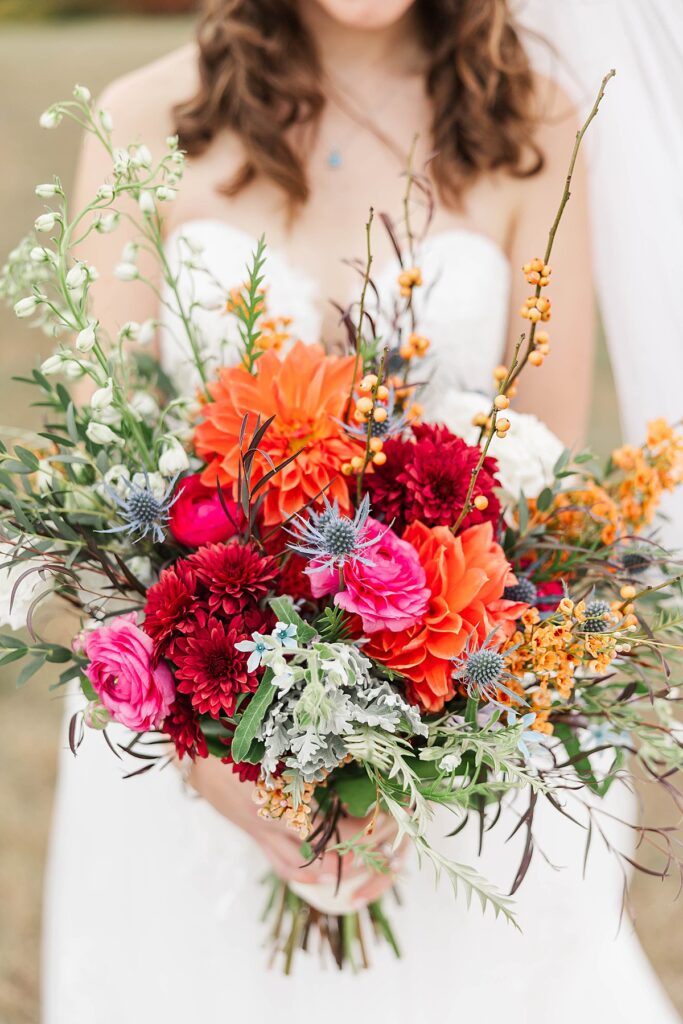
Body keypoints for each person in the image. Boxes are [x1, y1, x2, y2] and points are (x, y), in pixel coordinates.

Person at [42, 2, 680, 1021]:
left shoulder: (533, 124)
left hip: (444, 779)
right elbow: (94, 492)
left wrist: (414, 743)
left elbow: (542, 498)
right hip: (182, 775)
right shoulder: (138, 116)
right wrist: (215, 767)